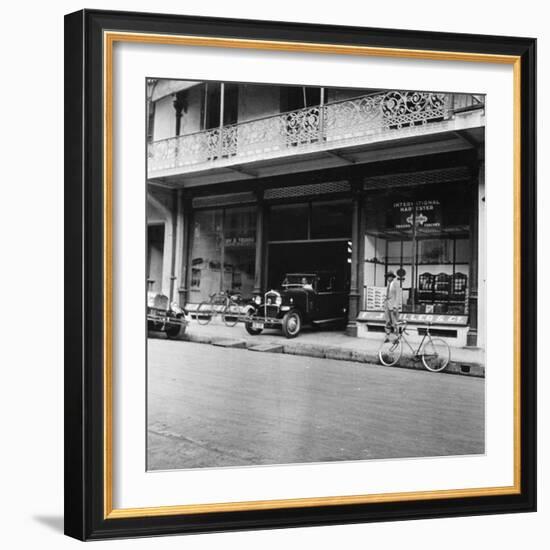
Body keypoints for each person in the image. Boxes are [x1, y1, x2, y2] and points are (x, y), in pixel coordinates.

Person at [384, 271, 401, 342]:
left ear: (392, 277)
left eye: (389, 277)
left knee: (394, 322)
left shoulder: (395, 284)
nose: (388, 278)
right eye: (387, 277)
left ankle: (396, 337)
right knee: (387, 321)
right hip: (388, 306)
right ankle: (387, 336)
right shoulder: (389, 285)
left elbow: (398, 295)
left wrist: (395, 306)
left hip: (393, 306)